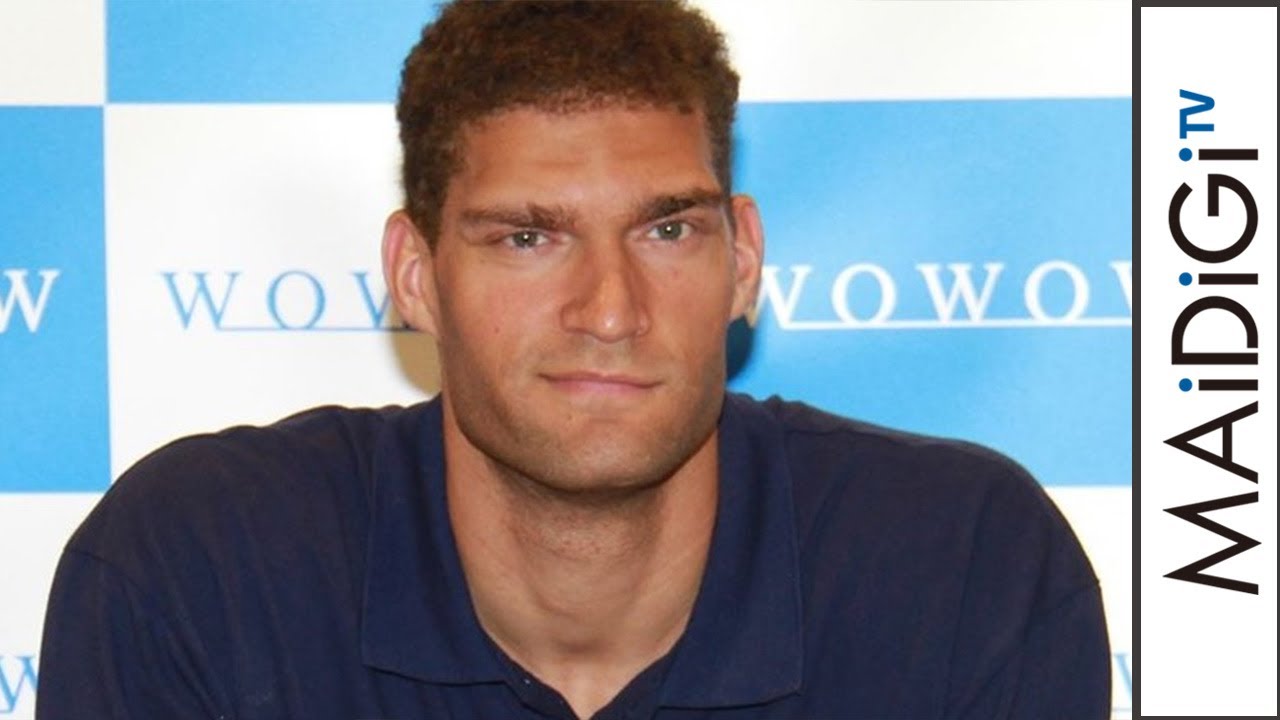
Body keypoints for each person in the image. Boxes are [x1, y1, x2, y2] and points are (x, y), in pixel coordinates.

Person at [37, 1, 1110, 718]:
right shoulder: (200, 570)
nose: (609, 310)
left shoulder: (962, 569)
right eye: (526, 237)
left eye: (666, 230)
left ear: (742, 261)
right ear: (416, 275)